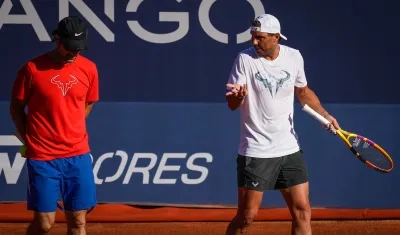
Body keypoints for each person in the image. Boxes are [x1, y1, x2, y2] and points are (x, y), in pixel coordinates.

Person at [224, 14, 340, 235]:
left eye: (260, 38)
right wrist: (238, 96)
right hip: (256, 150)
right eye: (253, 37)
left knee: (302, 210)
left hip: (289, 148)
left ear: (276, 37)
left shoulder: (294, 57)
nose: (255, 42)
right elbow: (232, 104)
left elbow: (303, 93)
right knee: (247, 216)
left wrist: (325, 115)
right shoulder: (244, 60)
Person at [9, 16, 99, 235]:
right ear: (56, 39)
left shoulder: (89, 69)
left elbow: (89, 102)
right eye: (69, 47)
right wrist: (28, 138)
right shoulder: (31, 70)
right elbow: (16, 108)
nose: (74, 53)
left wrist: (72, 125)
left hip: (77, 155)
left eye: (79, 48)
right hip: (42, 157)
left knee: (78, 222)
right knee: (44, 224)